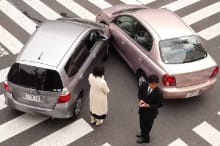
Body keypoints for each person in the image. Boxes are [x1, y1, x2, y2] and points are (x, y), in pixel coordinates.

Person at [136, 74, 163, 143]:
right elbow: (140, 93)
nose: (153, 86)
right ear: (148, 82)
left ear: (157, 84)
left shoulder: (159, 93)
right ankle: (142, 134)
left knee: (147, 127)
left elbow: (160, 104)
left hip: (150, 113)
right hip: (142, 109)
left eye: (155, 84)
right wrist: (140, 100)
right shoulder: (144, 84)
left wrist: (149, 106)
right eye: (151, 84)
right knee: (141, 124)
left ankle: (146, 139)